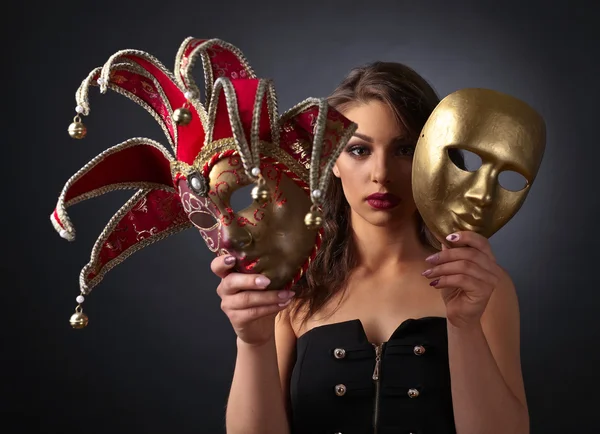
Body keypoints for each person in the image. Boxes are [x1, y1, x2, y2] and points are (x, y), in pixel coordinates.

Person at [212, 62, 529, 434]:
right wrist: (252, 343)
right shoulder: (293, 284)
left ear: (434, 157)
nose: (381, 173)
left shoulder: (480, 284)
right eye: (360, 151)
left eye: (405, 149)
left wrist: (464, 324)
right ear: (330, 161)